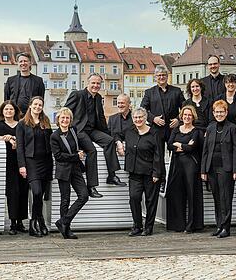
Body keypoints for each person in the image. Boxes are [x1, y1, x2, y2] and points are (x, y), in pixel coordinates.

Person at [64, 73, 124, 197]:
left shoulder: (98, 98)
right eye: (93, 83)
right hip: (79, 131)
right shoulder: (77, 95)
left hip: (92, 130)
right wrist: (67, 131)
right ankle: (91, 187)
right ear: (88, 83)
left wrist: (109, 135)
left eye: (98, 83)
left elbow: (101, 118)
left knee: (109, 141)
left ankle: (111, 176)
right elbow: (66, 112)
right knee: (92, 151)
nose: (95, 85)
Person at [118, 108, 165, 236]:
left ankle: (149, 227)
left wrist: (157, 173)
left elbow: (158, 155)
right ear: (133, 119)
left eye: (140, 117)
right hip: (134, 173)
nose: (138, 120)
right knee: (134, 198)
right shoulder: (129, 131)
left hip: (150, 174)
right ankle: (137, 226)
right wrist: (119, 143)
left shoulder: (154, 133)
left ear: (145, 118)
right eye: (136, 117)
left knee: (151, 201)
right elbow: (116, 134)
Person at [201, 100, 236, 238]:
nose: (219, 114)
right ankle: (219, 225)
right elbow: (205, 150)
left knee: (225, 198)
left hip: (227, 168)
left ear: (226, 112)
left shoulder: (233, 128)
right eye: (217, 112)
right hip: (212, 167)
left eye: (221, 112)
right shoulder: (210, 128)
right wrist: (203, 170)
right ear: (213, 113)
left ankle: (226, 227)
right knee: (217, 198)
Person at [50, 107, 91, 239]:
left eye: (67, 118)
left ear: (70, 120)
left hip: (76, 169)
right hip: (63, 171)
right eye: (62, 118)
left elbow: (77, 147)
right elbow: (58, 156)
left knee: (84, 195)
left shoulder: (73, 130)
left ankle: (63, 221)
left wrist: (80, 153)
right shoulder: (55, 136)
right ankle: (66, 230)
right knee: (65, 199)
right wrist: (75, 156)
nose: (65, 120)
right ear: (58, 119)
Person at [0, 101, 28, 235]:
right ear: (2, 111)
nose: (9, 111)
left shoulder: (21, 124)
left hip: (21, 161)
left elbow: (27, 138)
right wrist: (4, 138)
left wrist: (15, 138)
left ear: (15, 111)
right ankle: (12, 223)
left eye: (11, 109)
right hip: (7, 163)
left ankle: (21, 222)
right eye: (6, 109)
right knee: (12, 193)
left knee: (23, 191)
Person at [17, 96, 53, 237]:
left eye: (40, 105)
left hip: (46, 162)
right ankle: (33, 224)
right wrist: (22, 166)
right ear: (30, 105)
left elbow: (51, 142)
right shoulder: (22, 124)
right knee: (36, 192)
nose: (38, 107)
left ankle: (41, 222)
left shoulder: (45, 121)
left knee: (41, 195)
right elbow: (20, 147)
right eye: (36, 104)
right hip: (31, 162)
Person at [166, 105, 204, 233]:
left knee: (192, 194)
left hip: (191, 165)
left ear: (193, 117)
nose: (187, 117)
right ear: (181, 116)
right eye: (185, 115)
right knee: (176, 193)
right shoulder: (176, 129)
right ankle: (178, 224)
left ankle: (192, 225)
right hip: (176, 165)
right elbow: (169, 145)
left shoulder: (196, 131)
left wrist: (179, 145)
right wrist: (185, 146)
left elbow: (192, 148)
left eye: (189, 115)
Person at [140, 65, 185, 143]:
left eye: (163, 75)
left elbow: (185, 108)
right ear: (155, 77)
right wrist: (153, 118)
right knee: (158, 155)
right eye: (159, 75)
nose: (161, 77)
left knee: (176, 153)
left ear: (167, 76)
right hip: (156, 129)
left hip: (174, 128)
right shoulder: (149, 92)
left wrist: (178, 119)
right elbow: (143, 109)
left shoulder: (177, 91)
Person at [215, 73, 236, 138]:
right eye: (228, 82)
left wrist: (235, 129)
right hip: (223, 129)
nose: (231, 84)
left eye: (233, 82)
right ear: (225, 84)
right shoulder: (219, 98)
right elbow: (217, 115)